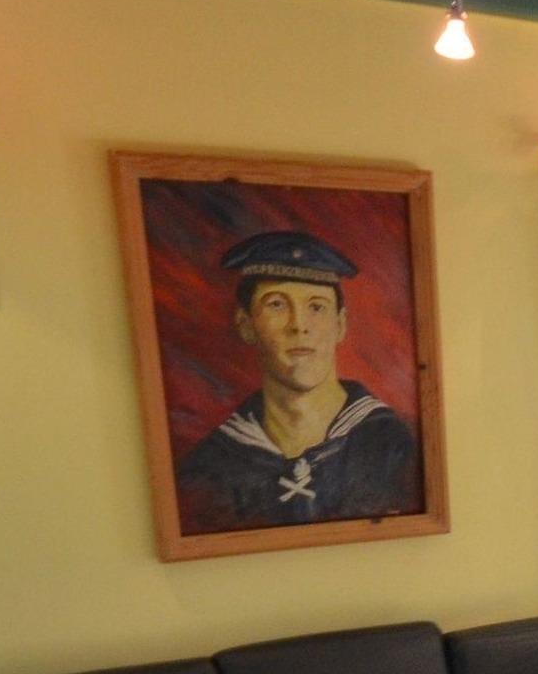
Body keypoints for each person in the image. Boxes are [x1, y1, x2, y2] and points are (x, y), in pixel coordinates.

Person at [174, 227, 423, 530]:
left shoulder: (399, 446)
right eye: (276, 304)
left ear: (340, 325)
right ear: (246, 324)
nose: (299, 325)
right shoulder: (208, 470)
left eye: (316, 306)